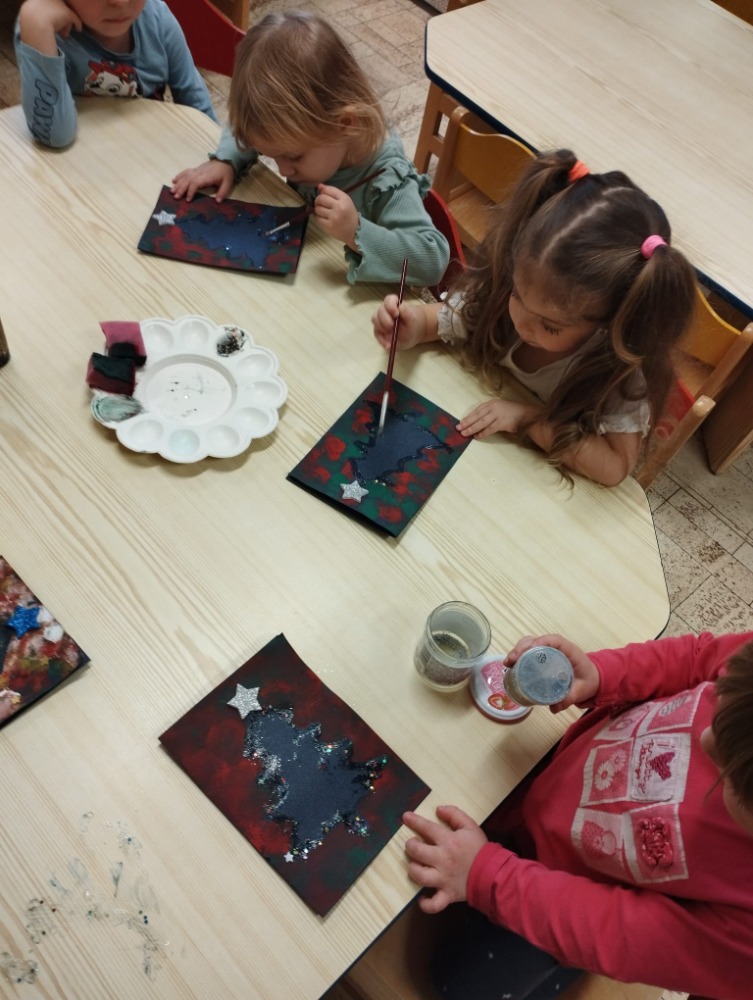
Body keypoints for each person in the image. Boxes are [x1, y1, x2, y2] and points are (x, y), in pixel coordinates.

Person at [403, 629, 753, 1000]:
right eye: (719, 699)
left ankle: (561, 966)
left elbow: (617, 933)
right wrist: (604, 674)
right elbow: (697, 658)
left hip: (571, 888)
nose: (706, 738)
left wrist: (488, 878)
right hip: (560, 782)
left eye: (728, 773)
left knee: (456, 986)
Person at [371, 150, 698, 486]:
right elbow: (446, 318)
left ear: (609, 323)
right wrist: (415, 325)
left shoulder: (619, 372)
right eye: (517, 294)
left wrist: (527, 419)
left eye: (549, 326)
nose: (522, 323)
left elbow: (613, 467)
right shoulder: (514, 289)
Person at [170, 11, 449, 287]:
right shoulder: (313, 139)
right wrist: (226, 160)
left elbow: (433, 261)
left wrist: (356, 232)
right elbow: (254, 129)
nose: (283, 170)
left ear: (344, 124)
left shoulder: (388, 181)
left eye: (293, 157)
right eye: (272, 155)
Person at [15, 0, 217, 149]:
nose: (120, 1)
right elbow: (54, 135)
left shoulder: (159, 21)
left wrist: (222, 158)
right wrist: (35, 25)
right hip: (81, 173)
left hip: (149, 162)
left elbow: (201, 116)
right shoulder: (42, 30)